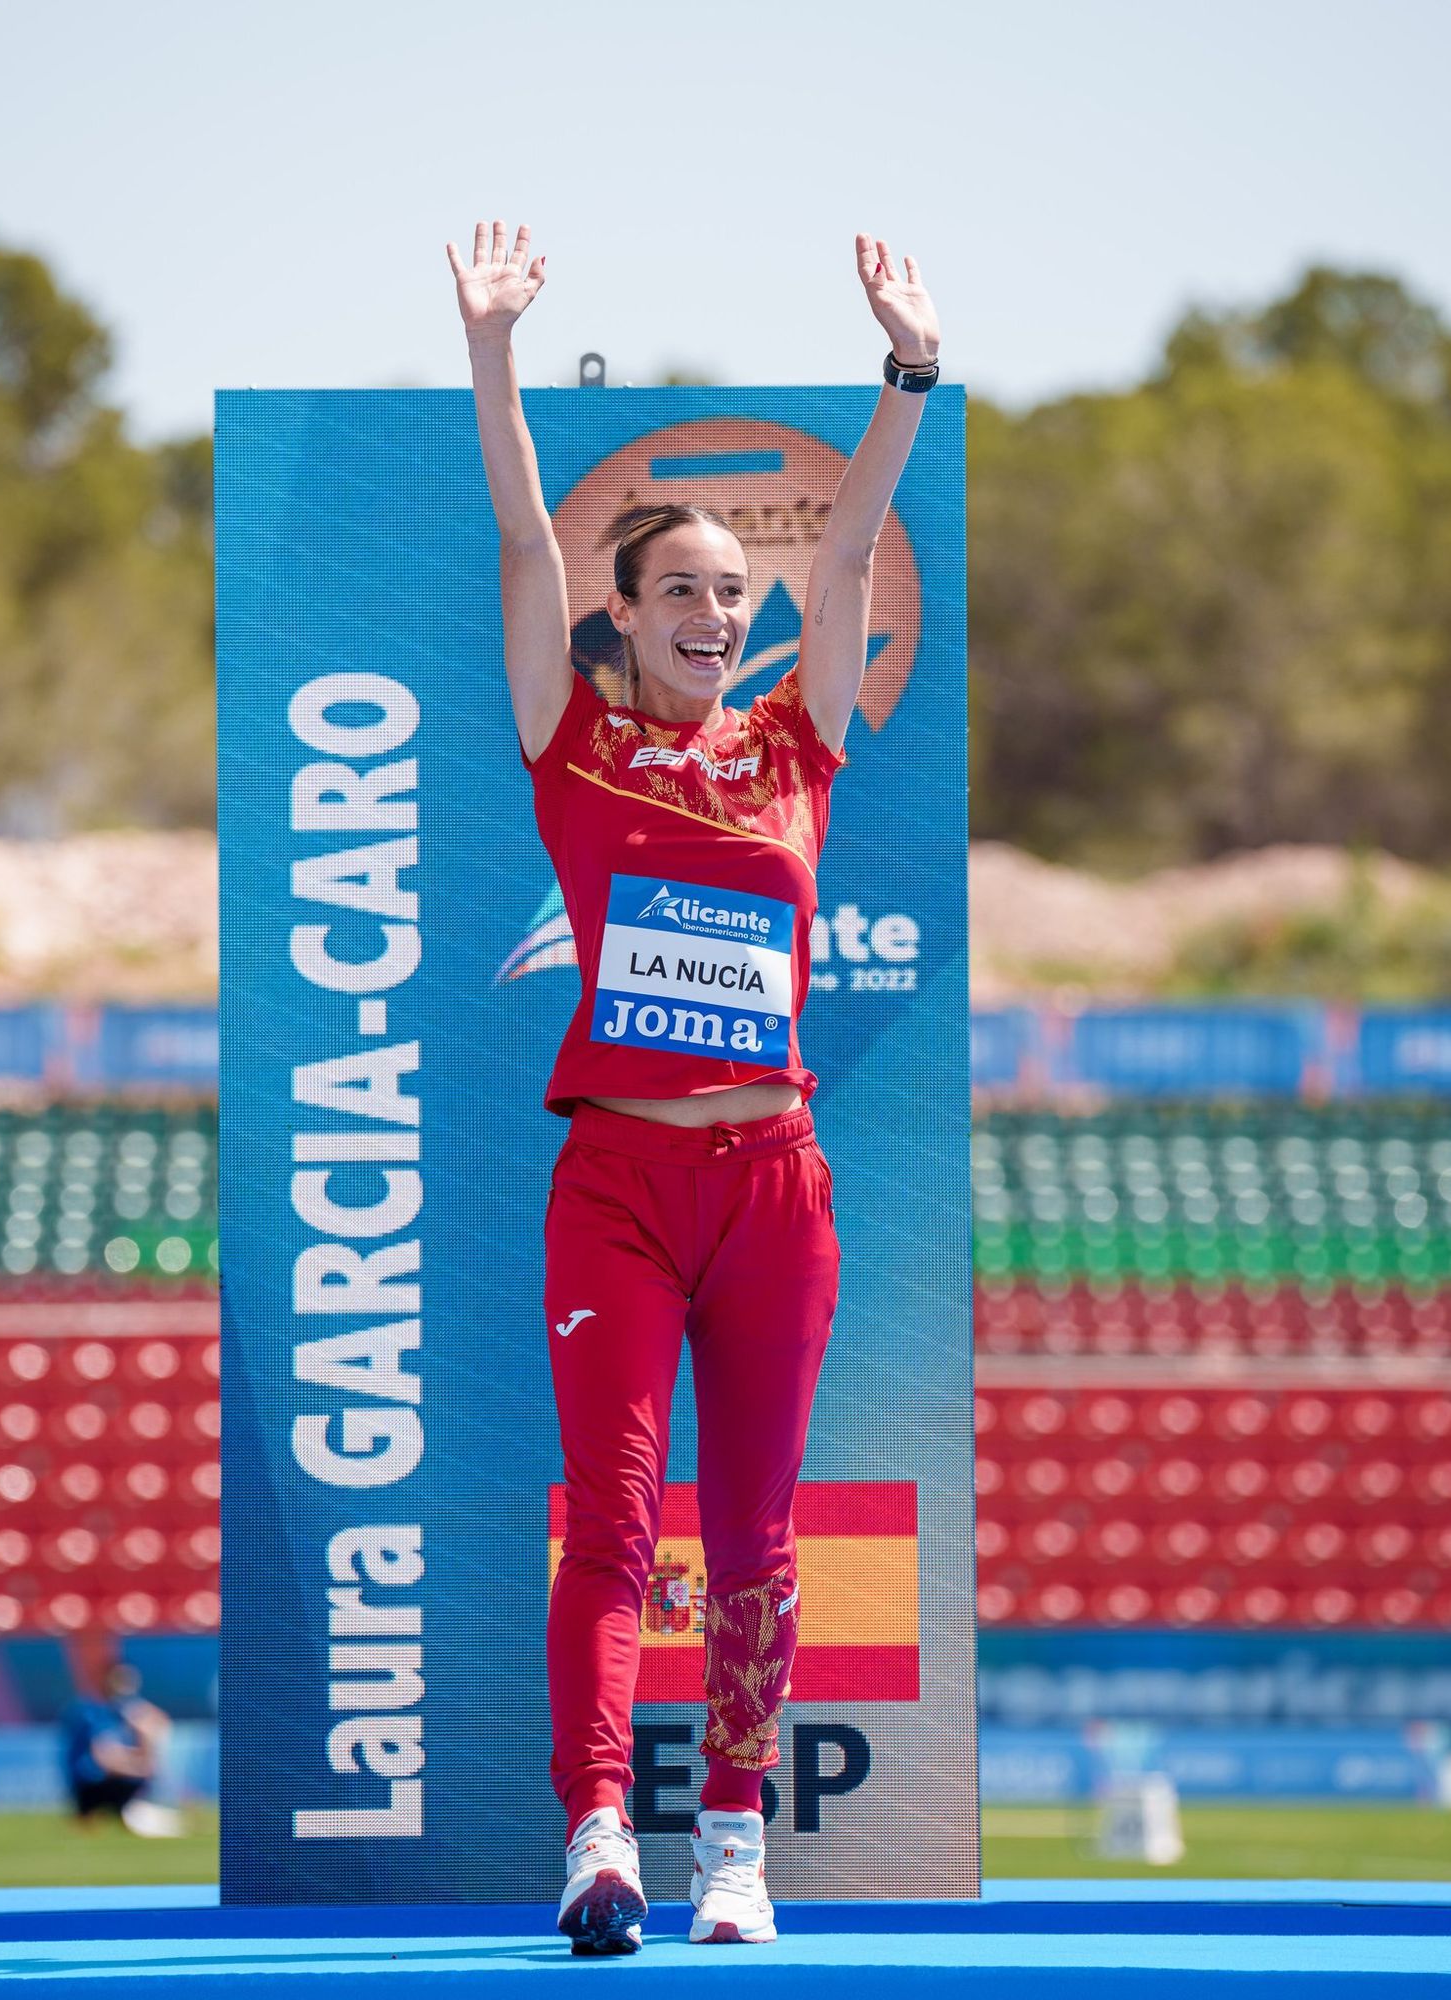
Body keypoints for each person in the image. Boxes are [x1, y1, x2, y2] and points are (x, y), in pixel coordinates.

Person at [448, 218, 939, 1953]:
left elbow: (862, 533)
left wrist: (905, 373)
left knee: (755, 1545)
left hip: (773, 1191)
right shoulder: (569, 743)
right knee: (615, 1528)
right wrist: (495, 354)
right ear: (629, 619)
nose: (717, 614)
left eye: (737, 593)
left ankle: (736, 1846)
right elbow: (523, 533)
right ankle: (600, 1840)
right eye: (684, 593)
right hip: (622, 1193)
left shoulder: (802, 740)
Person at [59, 1661, 182, 1836]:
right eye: (121, 1680)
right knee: (138, 1779)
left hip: (115, 1780)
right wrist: (141, 1769)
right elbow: (104, 1757)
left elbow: (159, 1724)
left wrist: (145, 1735)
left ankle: (128, 1813)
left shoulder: (126, 1712)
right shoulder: (91, 1712)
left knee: (142, 1776)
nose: (126, 1686)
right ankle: (104, 1814)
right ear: (107, 1680)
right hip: (93, 1784)